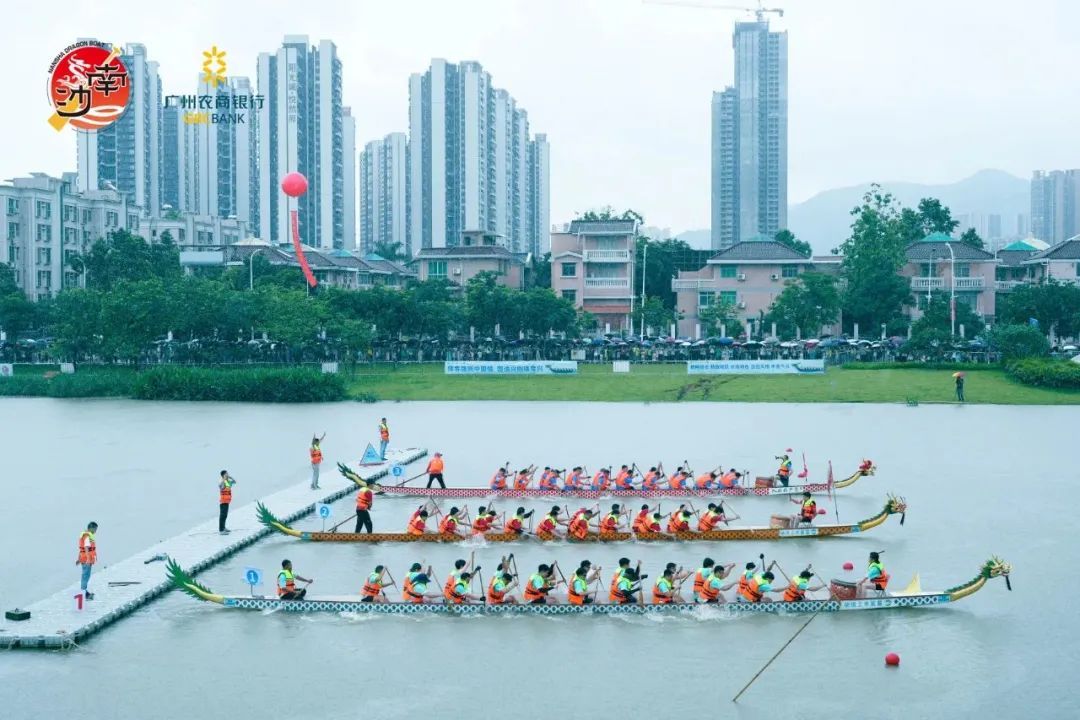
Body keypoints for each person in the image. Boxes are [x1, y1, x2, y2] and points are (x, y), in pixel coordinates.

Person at [76, 521, 98, 600]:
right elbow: (86, 547)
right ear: (91, 528)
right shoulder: (87, 536)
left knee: (85, 576)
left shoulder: (85, 535)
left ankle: (84, 592)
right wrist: (88, 559)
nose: (95, 531)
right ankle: (84, 593)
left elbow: (81, 549)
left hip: (84, 558)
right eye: (95, 529)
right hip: (86, 559)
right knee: (85, 576)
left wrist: (79, 559)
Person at [218, 470, 236, 535]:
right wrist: (224, 479)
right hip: (223, 502)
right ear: (223, 475)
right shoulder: (221, 481)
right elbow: (221, 487)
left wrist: (230, 477)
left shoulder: (227, 482)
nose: (227, 474)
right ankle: (221, 530)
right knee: (222, 516)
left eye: (227, 473)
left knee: (225, 516)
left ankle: (224, 527)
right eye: (226, 474)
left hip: (227, 501)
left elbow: (234, 482)